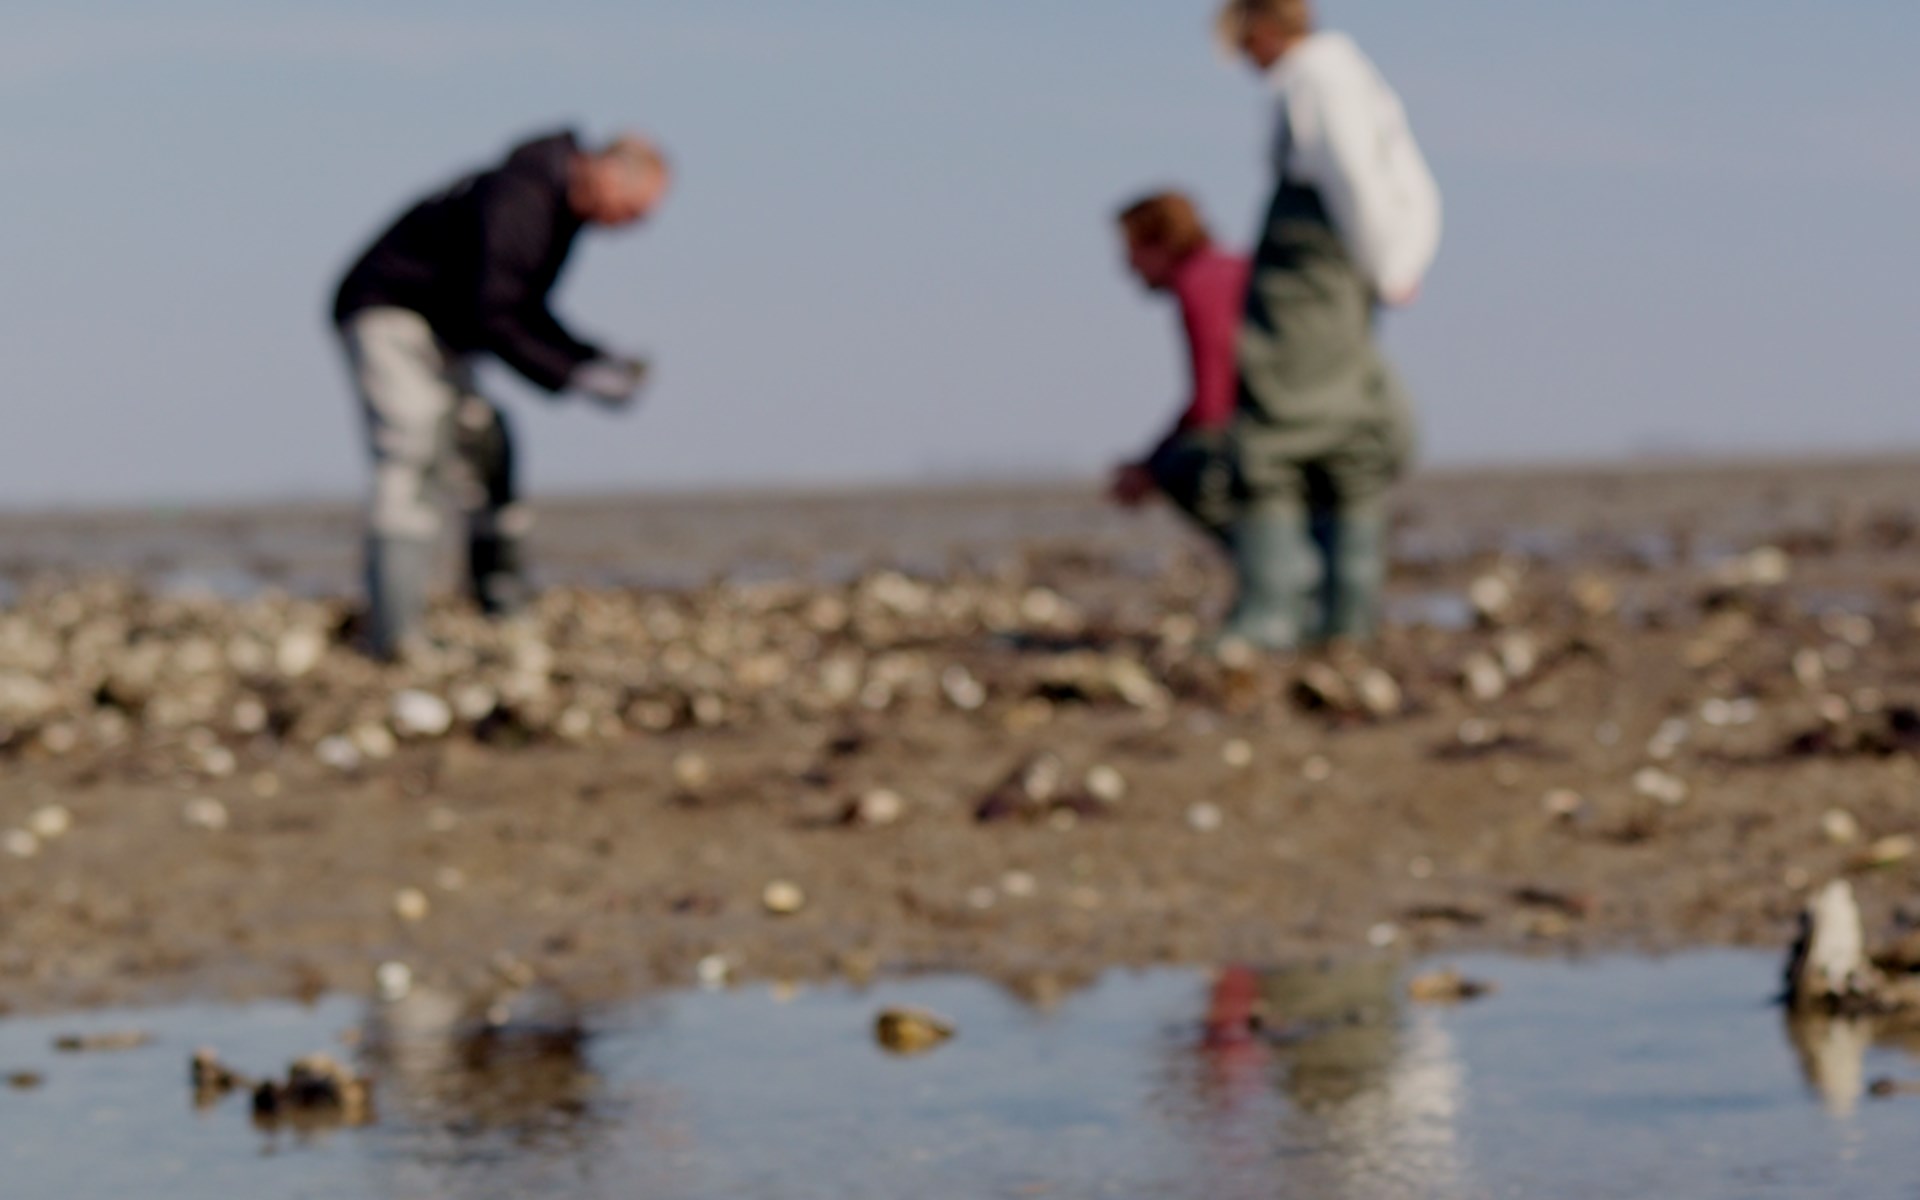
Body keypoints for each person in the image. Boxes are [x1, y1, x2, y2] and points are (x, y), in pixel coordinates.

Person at [331, 129, 671, 659]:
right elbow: (497, 312)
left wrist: (590, 359)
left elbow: (522, 307)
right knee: (413, 452)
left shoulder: (558, 208)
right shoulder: (525, 194)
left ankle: (499, 605)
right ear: (609, 173)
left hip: (444, 334)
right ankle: (395, 634)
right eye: (634, 208)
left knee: (488, 449)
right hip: (390, 314)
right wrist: (575, 374)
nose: (634, 223)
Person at [1212, 0, 1441, 650]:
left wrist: (1390, 264)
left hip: (1315, 278)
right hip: (1329, 272)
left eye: (1243, 43)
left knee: (1282, 424)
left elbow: (1357, 174)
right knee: (1339, 422)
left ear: (1263, 28)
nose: (1245, 59)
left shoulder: (1319, 74)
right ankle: (1345, 614)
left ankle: (1277, 610)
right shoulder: (1340, 73)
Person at [1109, 192, 1251, 547]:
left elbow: (1212, 404)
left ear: (1159, 241)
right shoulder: (1231, 269)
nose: (1129, 265)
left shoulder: (1200, 283)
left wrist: (1150, 470)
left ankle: (1265, 565)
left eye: (1132, 249)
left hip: (1264, 433)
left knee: (1182, 469)